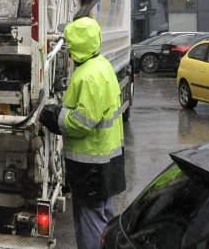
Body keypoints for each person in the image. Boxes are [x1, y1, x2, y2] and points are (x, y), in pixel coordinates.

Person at [39, 16, 126, 249]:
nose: (66, 46)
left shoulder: (87, 77)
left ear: (77, 45)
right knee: (103, 219)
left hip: (92, 166)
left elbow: (81, 123)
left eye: (69, 42)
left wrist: (53, 116)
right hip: (105, 160)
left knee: (91, 226)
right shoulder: (101, 65)